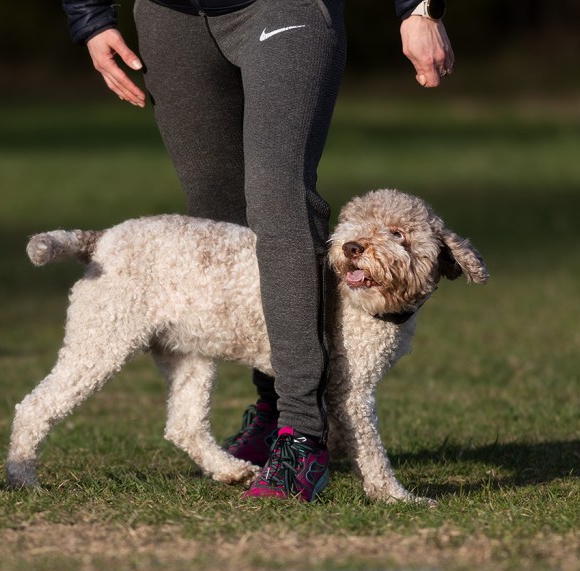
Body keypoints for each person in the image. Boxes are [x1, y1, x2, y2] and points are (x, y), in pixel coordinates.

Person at [60, 0, 454, 502]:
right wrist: (90, 18)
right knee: (223, 223)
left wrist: (417, 8)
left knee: (279, 195)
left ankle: (303, 435)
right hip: (171, 18)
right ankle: (272, 411)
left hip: (285, 7)